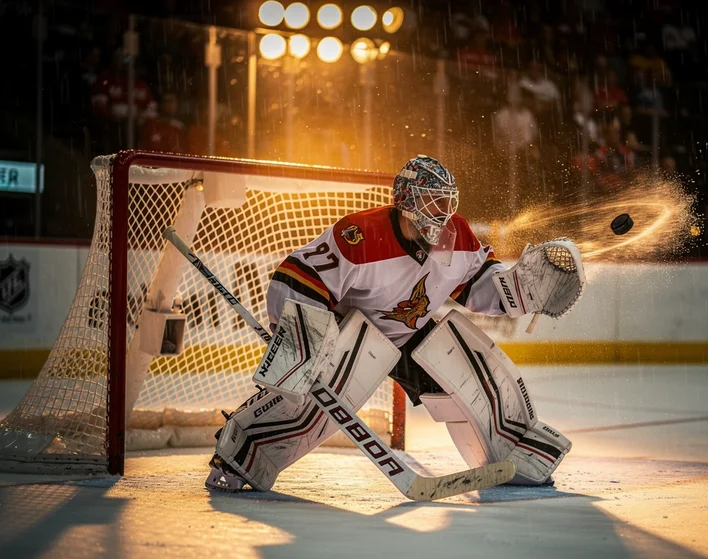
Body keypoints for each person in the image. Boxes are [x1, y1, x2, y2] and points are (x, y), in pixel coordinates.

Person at [205, 155, 582, 493]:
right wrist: (304, 340)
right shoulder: (360, 236)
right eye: (433, 201)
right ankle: (242, 452)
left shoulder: (458, 236)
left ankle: (516, 451)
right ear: (406, 200)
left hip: (411, 334)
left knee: (478, 368)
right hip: (352, 333)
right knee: (313, 399)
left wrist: (520, 290)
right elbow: (297, 278)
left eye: (448, 201)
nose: (443, 211)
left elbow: (478, 286)